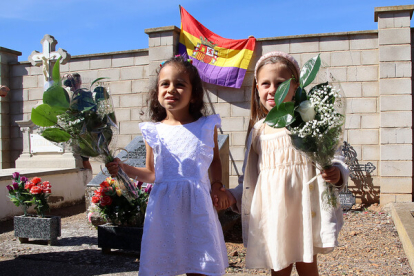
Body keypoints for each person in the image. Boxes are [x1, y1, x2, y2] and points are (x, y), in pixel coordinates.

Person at [217, 51, 349, 276]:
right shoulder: (258, 131)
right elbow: (250, 178)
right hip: (274, 211)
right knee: (279, 266)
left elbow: (333, 155)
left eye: (280, 83)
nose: (272, 90)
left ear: (296, 86)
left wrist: (337, 171)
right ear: (257, 88)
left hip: (306, 207)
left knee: (308, 264)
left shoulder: (309, 121)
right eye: (265, 83)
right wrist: (234, 195)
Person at [106, 56, 229, 276]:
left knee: (200, 264)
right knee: (163, 265)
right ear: (157, 92)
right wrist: (124, 168)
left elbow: (215, 160)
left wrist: (217, 185)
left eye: (180, 84)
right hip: (164, 210)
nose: (171, 89)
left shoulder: (206, 126)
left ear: (194, 95)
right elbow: (152, 174)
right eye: (165, 84)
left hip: (198, 208)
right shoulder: (153, 131)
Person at [64, 73, 92, 171]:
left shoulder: (85, 94)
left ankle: (89, 181)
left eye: (75, 82)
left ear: (80, 82)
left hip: (83, 130)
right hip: (70, 130)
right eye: (71, 83)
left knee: (84, 160)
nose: (73, 85)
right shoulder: (66, 94)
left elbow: (90, 110)